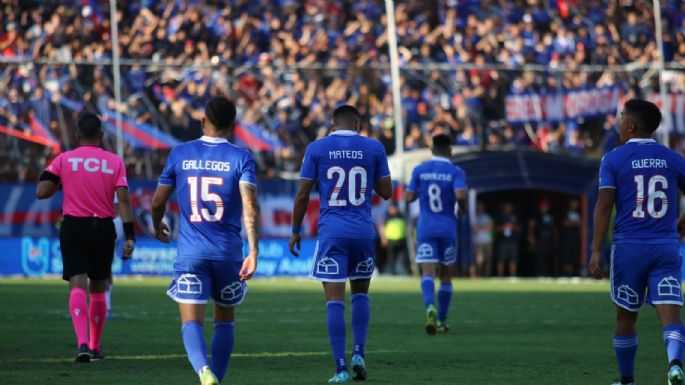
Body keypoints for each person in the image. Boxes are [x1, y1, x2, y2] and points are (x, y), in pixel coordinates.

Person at [150, 96, 259, 385]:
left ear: (202, 121)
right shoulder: (242, 157)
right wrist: (254, 250)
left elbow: (157, 202)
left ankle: (203, 371)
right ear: (232, 126)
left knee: (191, 321)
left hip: (191, 253)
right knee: (225, 320)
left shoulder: (179, 153)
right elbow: (250, 205)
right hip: (228, 254)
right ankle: (217, 378)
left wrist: (156, 223)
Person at [289, 105, 392, 383]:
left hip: (332, 233)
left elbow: (302, 195)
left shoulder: (317, 148)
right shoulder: (374, 148)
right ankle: (359, 353)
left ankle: (341, 368)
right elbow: (386, 192)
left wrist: (296, 231)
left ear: (332, 125)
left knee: (335, 302)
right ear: (358, 124)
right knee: (361, 295)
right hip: (362, 232)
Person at [590, 99, 685, 385]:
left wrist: (596, 250)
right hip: (666, 246)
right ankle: (675, 364)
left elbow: (604, 206)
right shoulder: (672, 157)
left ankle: (627, 380)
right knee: (670, 315)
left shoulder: (614, 158)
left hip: (630, 247)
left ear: (630, 126)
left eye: (621, 118)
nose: (618, 123)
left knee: (626, 317)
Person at [36, 112, 135, 362]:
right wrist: (130, 236)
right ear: (101, 135)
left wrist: (60, 179)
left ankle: (81, 343)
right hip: (102, 227)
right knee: (99, 286)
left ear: (76, 135)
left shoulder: (64, 159)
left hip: (73, 227)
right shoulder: (114, 161)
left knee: (77, 284)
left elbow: (42, 192)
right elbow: (123, 200)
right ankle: (95, 345)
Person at [405, 133, 467, 335]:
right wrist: (463, 209)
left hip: (426, 227)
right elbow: (460, 195)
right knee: (446, 276)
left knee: (428, 272)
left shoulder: (420, 170)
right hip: (448, 227)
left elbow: (408, 197)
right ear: (450, 151)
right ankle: (441, 320)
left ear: (431, 150)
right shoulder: (456, 171)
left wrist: (418, 192)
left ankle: (429, 306)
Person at [528, 197, 558, 276]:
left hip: (549, 240)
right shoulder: (536, 214)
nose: (545, 206)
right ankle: (539, 274)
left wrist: (556, 239)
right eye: (543, 205)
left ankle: (547, 274)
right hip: (539, 240)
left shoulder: (551, 214)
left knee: (548, 257)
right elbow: (531, 225)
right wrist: (531, 235)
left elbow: (554, 228)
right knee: (539, 257)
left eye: (546, 205)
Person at [381, 203, 409, 275]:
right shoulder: (387, 217)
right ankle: (392, 272)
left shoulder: (401, 216)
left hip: (401, 239)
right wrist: (384, 238)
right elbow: (383, 227)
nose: (392, 210)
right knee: (391, 257)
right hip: (391, 240)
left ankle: (404, 271)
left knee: (403, 257)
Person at [496, 202, 520, 277]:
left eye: (509, 206)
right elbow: (495, 229)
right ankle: (500, 275)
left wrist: (512, 226)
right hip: (503, 241)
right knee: (501, 259)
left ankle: (513, 276)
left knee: (513, 259)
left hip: (513, 241)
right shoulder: (500, 216)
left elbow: (519, 228)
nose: (508, 208)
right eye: (506, 206)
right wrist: (503, 227)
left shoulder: (515, 216)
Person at [560, 198, 581, 276]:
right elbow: (565, 223)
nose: (575, 205)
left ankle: (570, 273)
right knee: (566, 256)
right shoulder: (565, 212)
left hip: (575, 238)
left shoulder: (579, 212)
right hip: (566, 238)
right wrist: (575, 223)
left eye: (576, 203)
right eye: (573, 203)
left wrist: (571, 222)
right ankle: (565, 273)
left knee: (574, 256)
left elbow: (580, 223)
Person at [473, 201, 494, 277]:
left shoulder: (487, 217)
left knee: (488, 259)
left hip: (488, 241)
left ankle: (486, 275)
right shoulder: (474, 217)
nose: (479, 209)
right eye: (478, 207)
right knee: (479, 261)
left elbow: (490, 228)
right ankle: (480, 275)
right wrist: (484, 228)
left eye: (481, 207)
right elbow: (474, 229)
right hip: (478, 242)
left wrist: (480, 228)